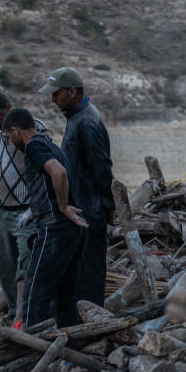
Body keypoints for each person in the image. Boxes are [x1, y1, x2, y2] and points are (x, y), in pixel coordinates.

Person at [2, 108, 90, 327]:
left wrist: (62, 207)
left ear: (16, 131)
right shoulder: (50, 144)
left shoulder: (33, 146)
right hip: (71, 230)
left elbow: (58, 172)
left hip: (54, 228)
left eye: (9, 137)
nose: (11, 142)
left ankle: (34, 350)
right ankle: (71, 345)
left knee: (35, 293)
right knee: (64, 294)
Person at [41, 67, 114, 305]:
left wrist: (107, 207)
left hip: (89, 211)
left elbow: (102, 168)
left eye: (57, 94)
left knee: (89, 275)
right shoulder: (78, 118)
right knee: (79, 274)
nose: (53, 99)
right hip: (81, 209)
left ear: (72, 91)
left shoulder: (87, 121)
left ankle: (93, 326)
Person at [0, 91, 50, 320]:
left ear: (9, 107)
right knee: (5, 266)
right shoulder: (1, 133)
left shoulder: (35, 129)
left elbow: (48, 169)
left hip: (25, 209)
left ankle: (28, 316)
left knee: (25, 264)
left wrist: (34, 207)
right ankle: (13, 313)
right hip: (1, 208)